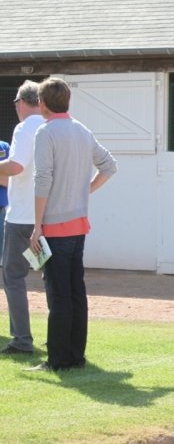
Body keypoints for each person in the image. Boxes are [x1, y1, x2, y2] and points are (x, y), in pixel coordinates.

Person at [26, 77, 117, 371]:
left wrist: (37, 225)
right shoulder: (81, 130)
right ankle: (76, 355)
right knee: (76, 291)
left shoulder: (46, 132)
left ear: (42, 103)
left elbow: (43, 179)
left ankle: (57, 359)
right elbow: (109, 166)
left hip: (55, 226)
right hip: (79, 225)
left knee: (58, 295)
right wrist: (85, 190)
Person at [0, 81, 46, 356]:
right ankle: (58, 338)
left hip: (21, 219)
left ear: (22, 102)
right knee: (51, 277)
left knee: (13, 277)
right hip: (48, 217)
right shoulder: (52, 124)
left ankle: (21, 340)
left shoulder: (25, 127)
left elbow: (16, 167)